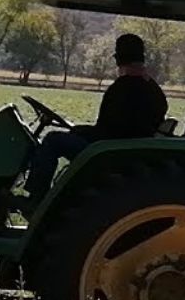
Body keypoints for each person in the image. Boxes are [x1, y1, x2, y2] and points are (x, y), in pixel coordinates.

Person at [22, 32, 168, 208]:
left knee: (52, 140)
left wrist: (80, 130)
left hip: (109, 154)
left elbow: (108, 131)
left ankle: (35, 198)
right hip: (124, 149)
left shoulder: (122, 89)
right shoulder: (154, 90)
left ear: (119, 59)